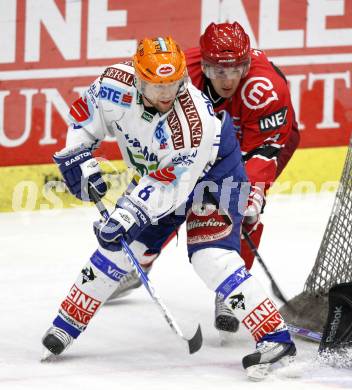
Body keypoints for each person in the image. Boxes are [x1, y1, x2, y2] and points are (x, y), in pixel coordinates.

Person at [42, 36, 296, 380]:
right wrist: (79, 157)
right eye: (156, 85)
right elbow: (83, 124)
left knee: (210, 257)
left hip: (216, 170)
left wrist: (127, 214)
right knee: (118, 249)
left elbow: (171, 187)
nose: (167, 94)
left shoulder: (193, 124)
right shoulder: (112, 84)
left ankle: (275, 337)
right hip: (157, 174)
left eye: (175, 84)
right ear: (136, 76)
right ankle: (66, 323)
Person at [110, 22, 300, 335]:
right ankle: (137, 261)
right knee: (171, 195)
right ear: (205, 65)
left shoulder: (265, 90)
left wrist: (253, 193)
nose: (228, 79)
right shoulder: (180, 79)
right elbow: (164, 139)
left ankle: (231, 290)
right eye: (219, 70)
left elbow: (263, 151)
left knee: (241, 209)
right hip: (204, 141)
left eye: (236, 69)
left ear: (248, 64)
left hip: (261, 141)